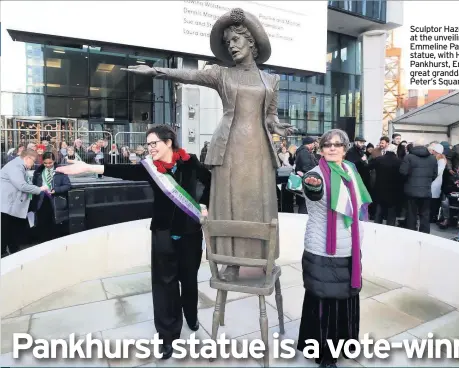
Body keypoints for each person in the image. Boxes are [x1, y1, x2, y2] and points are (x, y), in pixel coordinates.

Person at [121, 8, 294, 282]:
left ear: (251, 42)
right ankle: (231, 260)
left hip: (259, 148)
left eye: (236, 40)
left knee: (259, 203)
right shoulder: (221, 74)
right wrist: (155, 70)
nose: (232, 47)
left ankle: (264, 255)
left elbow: (269, 115)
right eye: (228, 43)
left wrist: (277, 125)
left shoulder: (271, 80)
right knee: (229, 204)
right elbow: (187, 76)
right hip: (229, 147)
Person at [57, 125, 211, 359]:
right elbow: (124, 171)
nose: (150, 148)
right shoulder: (150, 168)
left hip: (190, 232)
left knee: (189, 279)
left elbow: (209, 179)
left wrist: (205, 204)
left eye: (154, 143)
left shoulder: (190, 161)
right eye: (148, 144)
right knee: (164, 285)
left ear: (169, 142)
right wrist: (88, 167)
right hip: (162, 231)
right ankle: (167, 337)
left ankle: (191, 314)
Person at [297, 129, 371, 368]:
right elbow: (313, 192)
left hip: (349, 245)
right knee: (324, 301)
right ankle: (324, 355)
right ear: (320, 149)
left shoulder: (351, 171)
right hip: (322, 248)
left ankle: (343, 346)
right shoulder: (315, 174)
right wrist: (313, 186)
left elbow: (360, 206)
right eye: (327, 144)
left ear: (345, 148)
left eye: (337, 144)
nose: (332, 148)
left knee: (345, 298)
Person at [1, 149, 49, 256]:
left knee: (11, 229)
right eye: (33, 160)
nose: (34, 163)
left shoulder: (18, 166)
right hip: (6, 204)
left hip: (10, 204)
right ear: (27, 158)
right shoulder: (15, 167)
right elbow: (21, 185)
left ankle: (12, 250)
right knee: (5, 229)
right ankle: (3, 253)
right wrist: (39, 189)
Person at [30, 152, 72, 243]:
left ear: (54, 161)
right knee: (42, 223)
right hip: (41, 201)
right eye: (45, 163)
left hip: (55, 201)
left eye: (50, 163)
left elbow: (68, 185)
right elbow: (34, 186)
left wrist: (56, 190)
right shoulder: (38, 172)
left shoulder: (60, 171)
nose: (48, 165)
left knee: (54, 223)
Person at [400, 139, 438, 234]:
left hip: (411, 190)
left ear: (414, 146)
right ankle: (425, 234)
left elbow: (402, 172)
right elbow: (435, 174)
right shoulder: (433, 158)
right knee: (425, 214)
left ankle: (412, 234)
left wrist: (408, 182)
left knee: (411, 214)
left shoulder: (408, 157)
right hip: (426, 190)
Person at [368, 144, 403, 226]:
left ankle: (377, 226)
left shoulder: (379, 159)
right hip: (393, 189)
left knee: (379, 210)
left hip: (380, 188)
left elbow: (368, 166)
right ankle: (390, 228)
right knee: (391, 212)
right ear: (395, 151)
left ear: (386, 150)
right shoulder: (399, 161)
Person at [428, 143, 447, 222]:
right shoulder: (439, 158)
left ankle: (432, 216)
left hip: (436, 182)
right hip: (435, 182)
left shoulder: (441, 160)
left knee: (433, 200)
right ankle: (432, 215)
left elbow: (438, 171)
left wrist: (431, 176)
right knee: (432, 199)